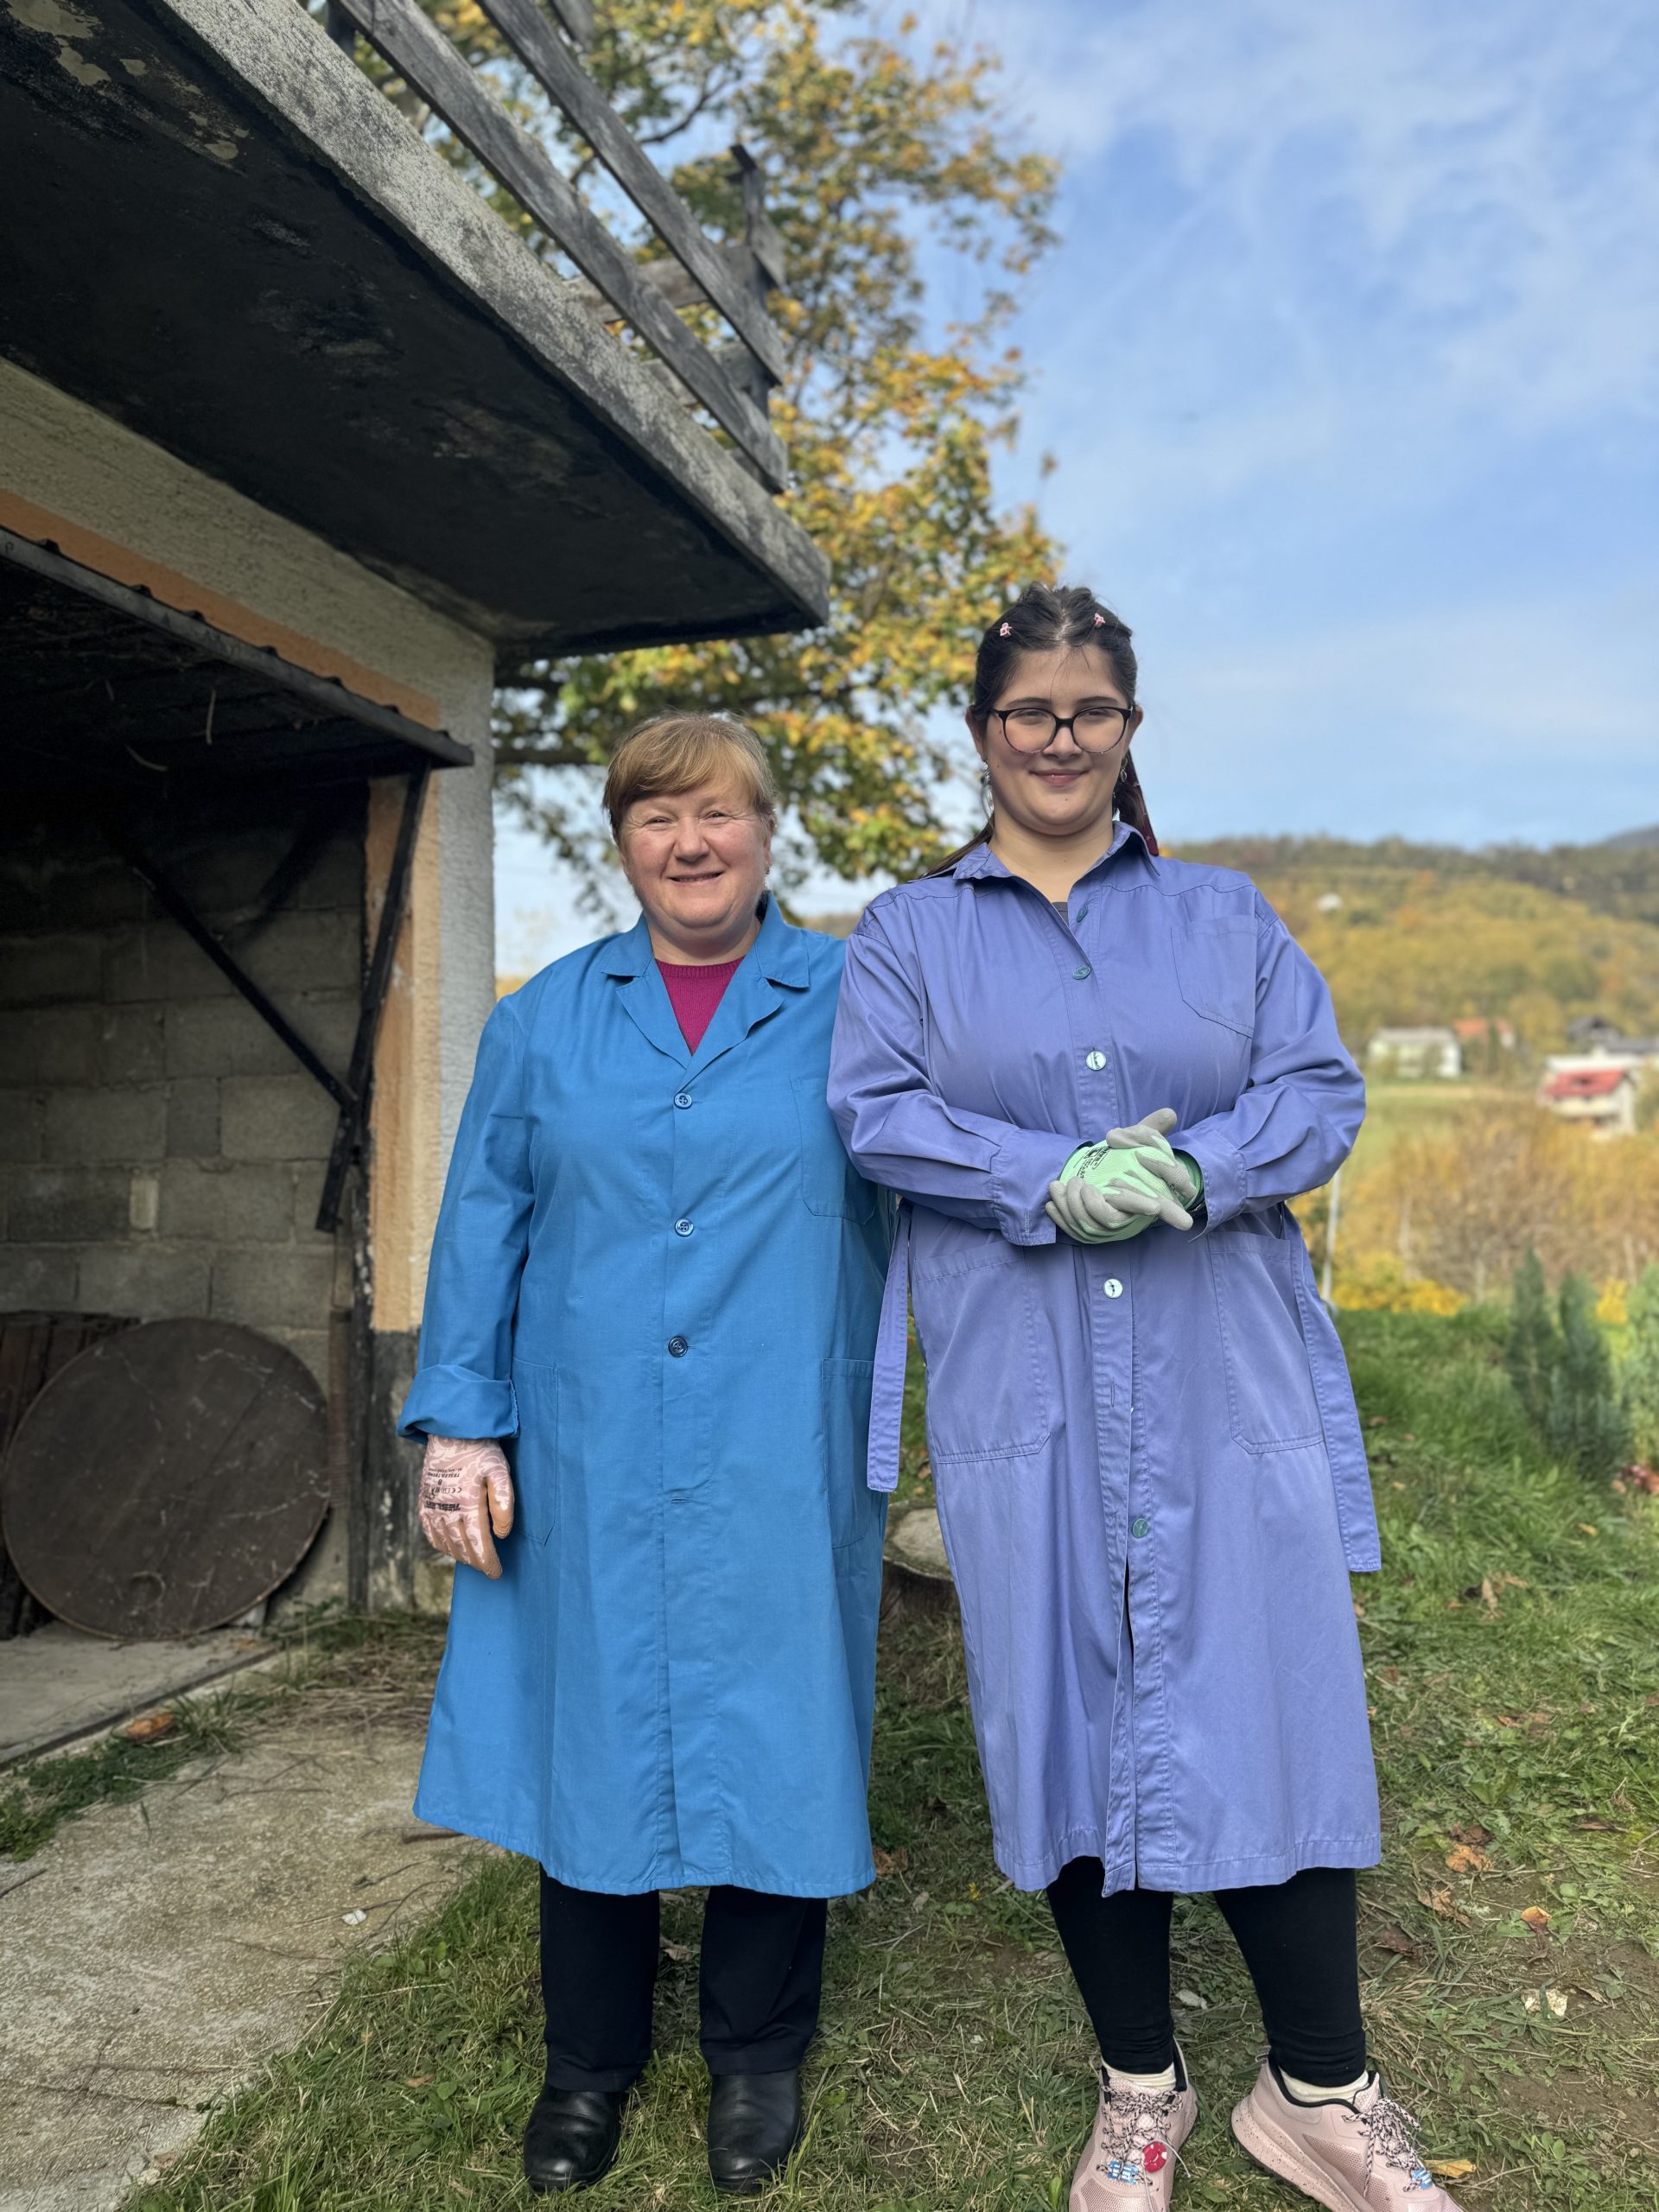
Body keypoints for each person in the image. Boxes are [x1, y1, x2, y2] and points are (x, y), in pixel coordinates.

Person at [827, 585, 1465, 2212]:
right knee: (1062, 1716)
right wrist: (1046, 1177)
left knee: (1271, 1704)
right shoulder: (907, 936)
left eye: (1090, 711)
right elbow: (876, 1112)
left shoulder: (1226, 918)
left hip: (1217, 1375)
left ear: (1127, 728)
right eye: (1029, 712)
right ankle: (1140, 2086)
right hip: (1024, 1383)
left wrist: (1197, 1167)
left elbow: (1317, 1091)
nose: (1059, 739)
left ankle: (1319, 2091)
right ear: (984, 732)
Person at [402, 715, 889, 2196]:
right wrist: (460, 1427)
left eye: (720, 813)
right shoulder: (544, 1019)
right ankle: (588, 2067)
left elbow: (948, 1176)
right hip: (590, 1441)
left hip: (781, 1437)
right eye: (658, 816)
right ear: (623, 842)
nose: (691, 842)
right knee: (591, 1725)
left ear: (768, 832)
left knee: (779, 1728)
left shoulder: (858, 1002)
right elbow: (481, 1229)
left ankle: (757, 2057)